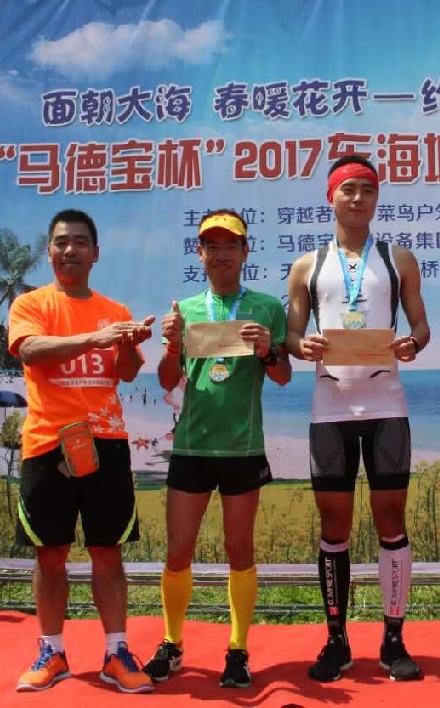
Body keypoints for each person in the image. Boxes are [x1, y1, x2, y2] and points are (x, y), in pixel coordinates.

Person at [286, 155, 430, 683]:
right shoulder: (307, 265)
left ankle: (394, 639)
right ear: (331, 197)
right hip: (331, 407)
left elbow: (420, 325)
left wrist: (412, 343)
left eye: (367, 190)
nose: (357, 198)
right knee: (334, 526)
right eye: (348, 189)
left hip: (386, 403)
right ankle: (336, 638)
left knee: (392, 519)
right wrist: (303, 345)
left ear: (376, 199)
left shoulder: (398, 259)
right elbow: (292, 334)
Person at [141, 209, 291, 689]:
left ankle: (238, 648)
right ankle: (172, 642)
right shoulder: (186, 309)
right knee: (178, 551)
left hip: (243, 449)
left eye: (231, 245)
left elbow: (283, 376)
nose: (221, 253)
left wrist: (268, 350)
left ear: (246, 252)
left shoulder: (266, 307)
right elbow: (167, 381)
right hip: (191, 447)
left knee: (239, 549)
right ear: (200, 253)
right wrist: (171, 346)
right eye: (212, 245)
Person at [8, 209, 155, 694]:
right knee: (50, 555)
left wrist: (130, 342)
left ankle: (116, 653)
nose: (69, 250)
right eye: (61, 242)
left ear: (95, 254)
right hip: (48, 444)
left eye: (79, 242)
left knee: (107, 552)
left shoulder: (115, 310)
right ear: (49, 251)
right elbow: (30, 351)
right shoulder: (31, 304)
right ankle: (51, 651)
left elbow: (127, 372)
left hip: (106, 444)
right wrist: (95, 337)